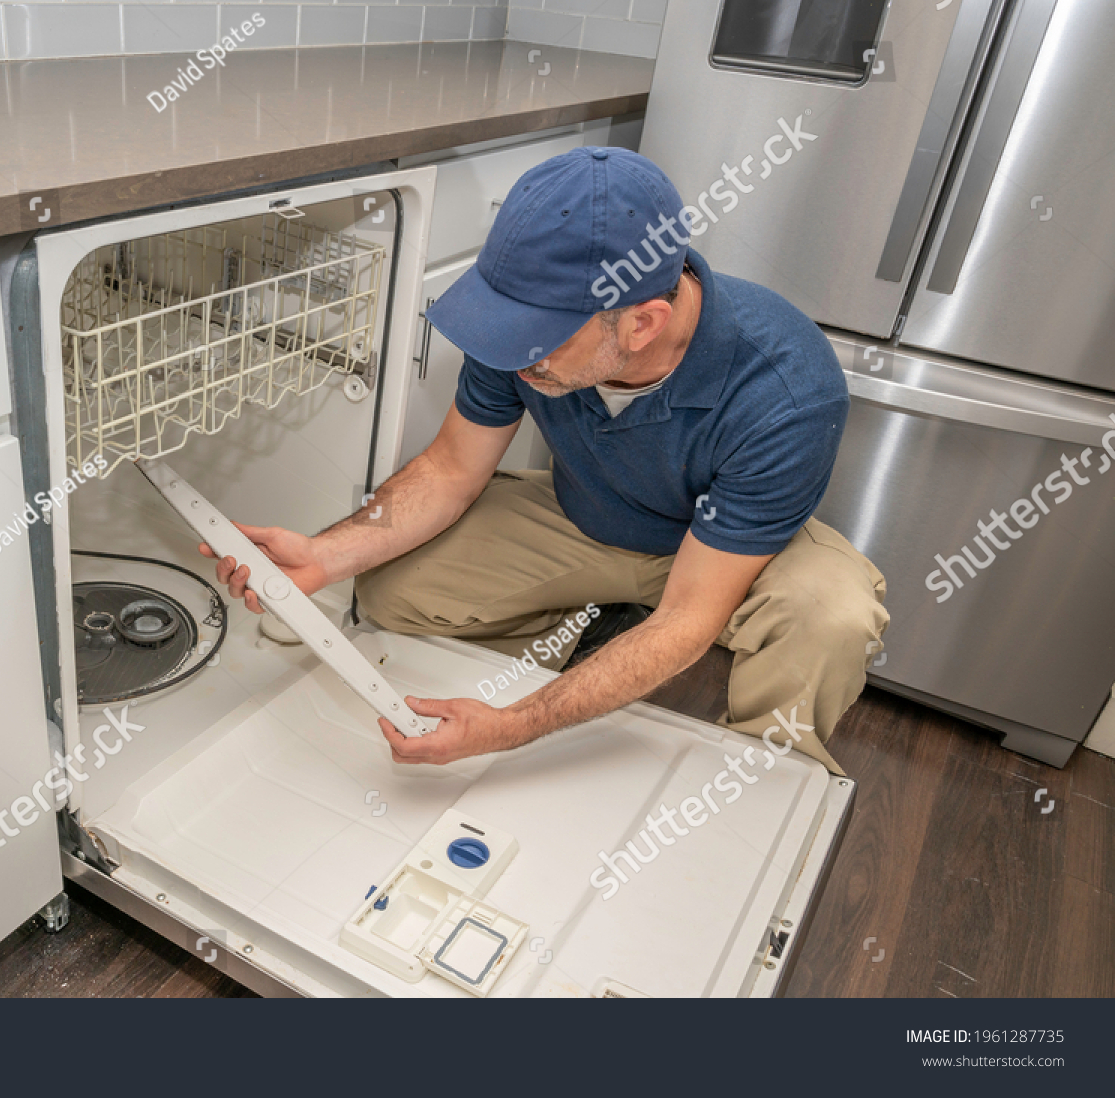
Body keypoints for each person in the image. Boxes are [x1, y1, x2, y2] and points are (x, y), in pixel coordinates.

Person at [201, 147, 887, 774]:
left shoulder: (787, 389)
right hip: (586, 514)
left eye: (536, 343)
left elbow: (687, 616)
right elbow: (448, 470)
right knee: (389, 588)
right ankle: (585, 625)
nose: (514, 356)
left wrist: (512, 726)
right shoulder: (527, 336)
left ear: (642, 323)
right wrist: (322, 557)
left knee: (831, 615)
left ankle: (756, 781)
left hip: (728, 559)